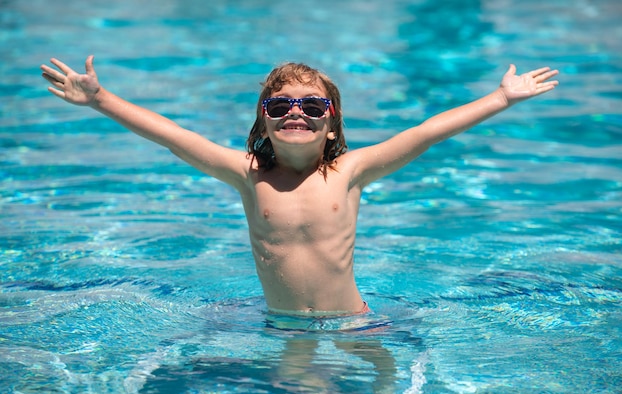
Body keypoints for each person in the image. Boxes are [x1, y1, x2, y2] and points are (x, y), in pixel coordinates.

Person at [40, 56, 558, 319]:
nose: (296, 114)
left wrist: (501, 99)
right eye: (279, 106)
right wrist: (101, 99)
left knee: (384, 388)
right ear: (262, 121)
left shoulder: (350, 172)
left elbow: (424, 133)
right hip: (282, 324)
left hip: (356, 321)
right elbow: (175, 138)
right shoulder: (248, 175)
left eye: (312, 107)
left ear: (331, 124)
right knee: (301, 393)